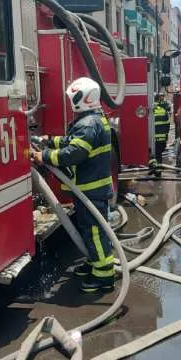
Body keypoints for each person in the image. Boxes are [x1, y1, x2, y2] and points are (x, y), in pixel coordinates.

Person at [30, 77, 116, 293]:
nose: (70, 101)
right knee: (91, 231)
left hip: (90, 190)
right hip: (91, 189)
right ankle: (94, 261)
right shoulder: (94, 119)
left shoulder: (87, 123)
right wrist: (49, 140)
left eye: (73, 98)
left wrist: (44, 155)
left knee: (95, 232)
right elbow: (72, 141)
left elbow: (74, 153)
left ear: (82, 99)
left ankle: (104, 275)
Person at [149, 92, 172, 173]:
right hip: (161, 139)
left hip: (151, 139)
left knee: (152, 154)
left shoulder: (151, 110)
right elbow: (168, 125)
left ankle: (152, 168)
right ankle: (158, 170)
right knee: (159, 155)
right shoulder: (163, 111)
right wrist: (166, 136)